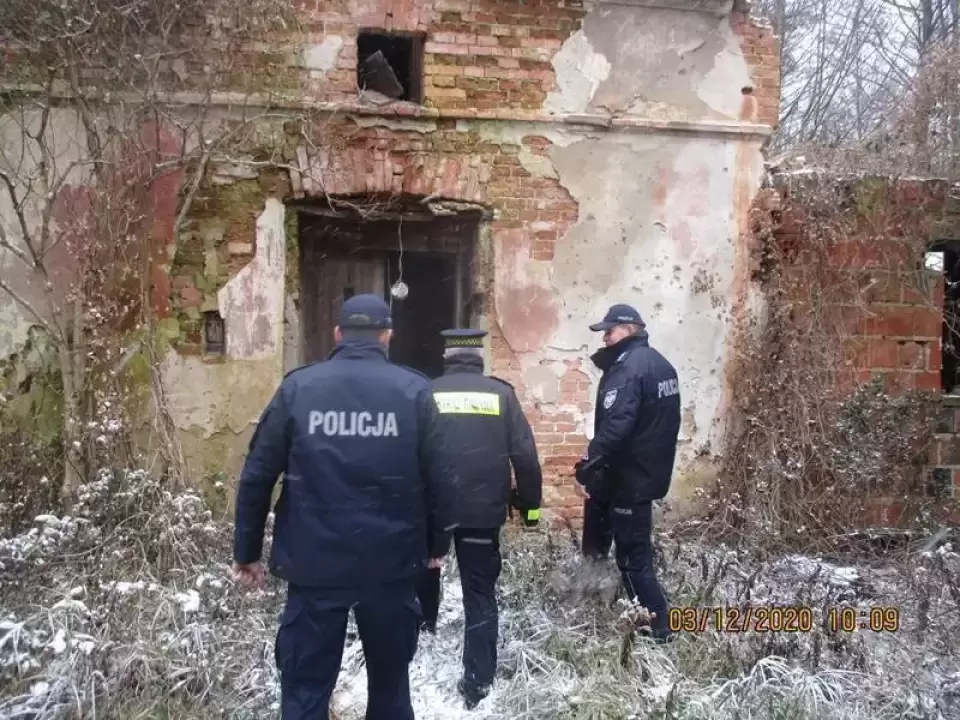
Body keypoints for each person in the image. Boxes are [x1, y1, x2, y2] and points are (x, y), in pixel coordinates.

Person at [231, 293, 459, 720]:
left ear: (338, 334)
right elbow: (442, 479)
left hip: (314, 565)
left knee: (304, 692)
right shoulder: (414, 391)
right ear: (387, 336)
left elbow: (258, 474)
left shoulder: (299, 388)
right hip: (390, 565)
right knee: (391, 691)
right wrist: (436, 547)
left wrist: (247, 552)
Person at [415, 328, 543, 709]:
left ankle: (421, 636)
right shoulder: (501, 394)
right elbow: (526, 457)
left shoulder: (428, 392)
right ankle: (478, 682)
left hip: (434, 509)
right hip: (481, 512)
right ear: (479, 357)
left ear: (447, 357)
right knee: (479, 593)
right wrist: (531, 508)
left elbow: (411, 452)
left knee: (426, 570)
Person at [574, 303, 681, 642]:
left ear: (630, 328)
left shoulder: (627, 368)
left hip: (627, 478)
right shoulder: (661, 365)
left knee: (634, 560)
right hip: (644, 474)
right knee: (613, 547)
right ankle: (603, 605)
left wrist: (588, 461)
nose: (605, 337)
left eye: (610, 331)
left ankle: (659, 630)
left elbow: (617, 425)